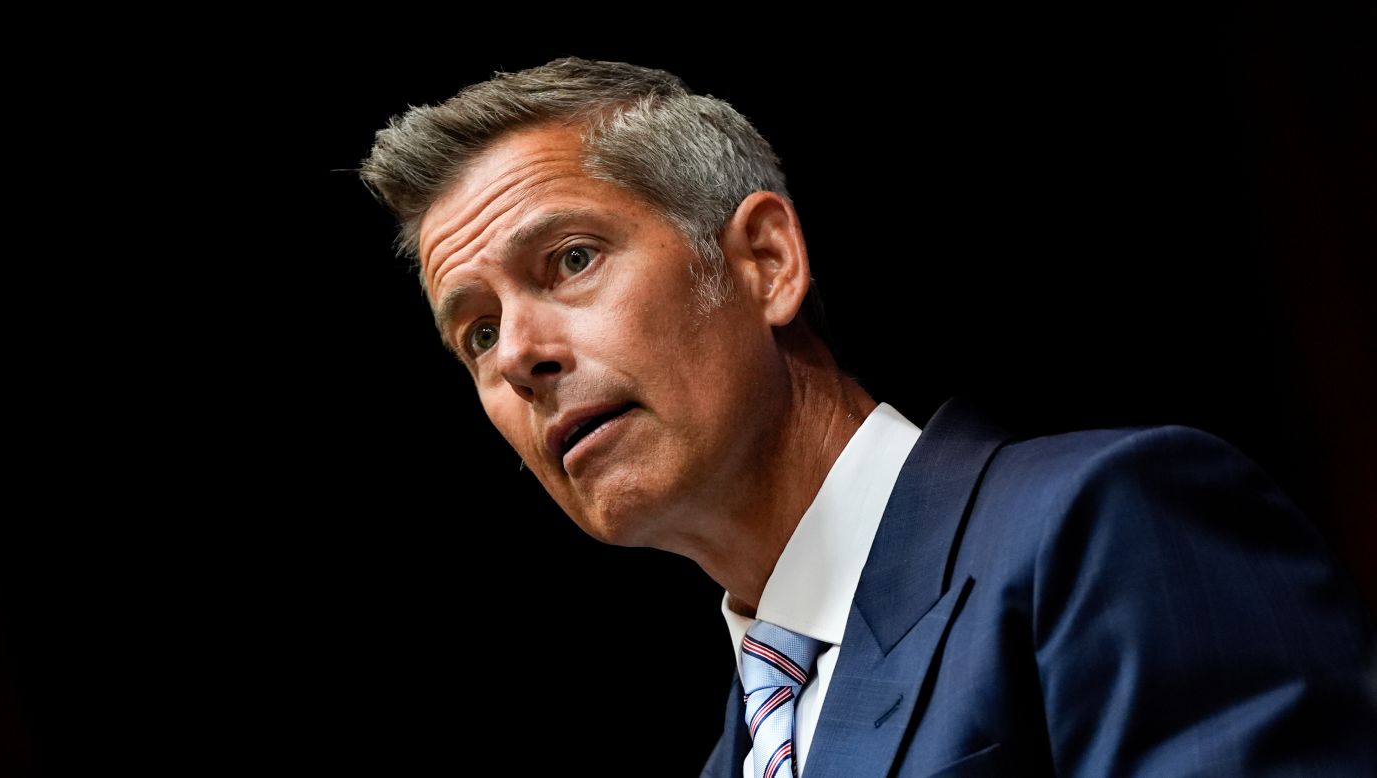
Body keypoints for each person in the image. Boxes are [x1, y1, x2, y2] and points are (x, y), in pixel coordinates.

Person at [359, 57, 1376, 776]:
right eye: (477, 333)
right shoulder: (738, 756)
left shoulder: (1100, 525)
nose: (522, 355)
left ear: (765, 262)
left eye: (571, 259)